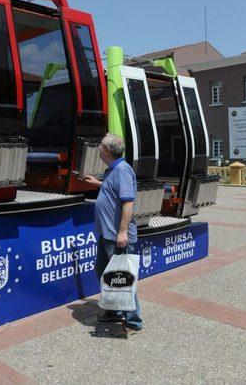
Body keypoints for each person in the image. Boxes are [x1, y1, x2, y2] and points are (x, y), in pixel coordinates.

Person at [84, 133, 142, 338]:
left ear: (107, 151)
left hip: (116, 235)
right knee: (102, 269)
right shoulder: (113, 170)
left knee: (122, 277)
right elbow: (114, 190)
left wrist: (123, 232)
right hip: (106, 233)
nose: (98, 148)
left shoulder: (123, 171)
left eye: (100, 146)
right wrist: (98, 184)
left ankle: (133, 322)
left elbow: (128, 203)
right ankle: (114, 310)